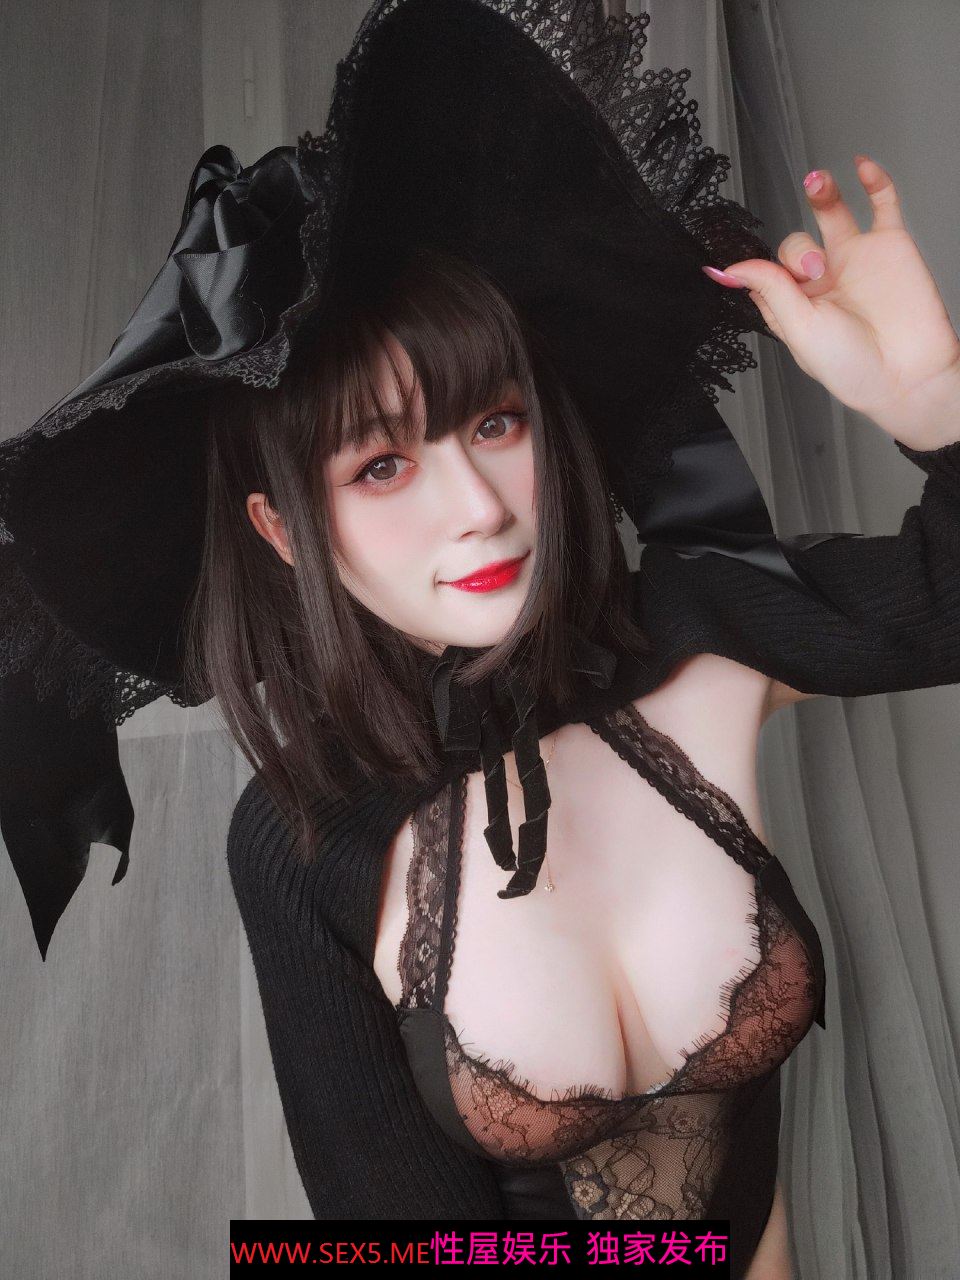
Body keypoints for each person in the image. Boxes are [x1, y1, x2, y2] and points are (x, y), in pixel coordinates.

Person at [3, 2, 959, 1277]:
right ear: (280, 529)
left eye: (495, 423)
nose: (479, 505)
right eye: (384, 464)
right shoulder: (302, 841)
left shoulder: (706, 625)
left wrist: (939, 406)